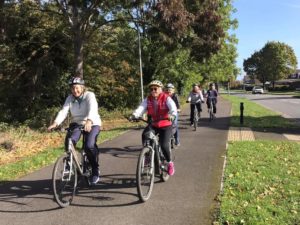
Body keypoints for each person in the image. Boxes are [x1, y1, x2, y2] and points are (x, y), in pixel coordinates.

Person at [48, 77, 102, 185]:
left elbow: (93, 108)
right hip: (77, 123)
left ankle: (95, 170)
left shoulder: (89, 95)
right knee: (70, 141)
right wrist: (56, 123)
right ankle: (69, 164)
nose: (74, 90)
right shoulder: (70, 98)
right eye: (72, 88)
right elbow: (64, 111)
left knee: (89, 145)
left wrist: (89, 121)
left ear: (82, 88)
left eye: (77, 88)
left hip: (92, 122)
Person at [131, 80, 177, 176]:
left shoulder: (166, 98)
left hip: (166, 124)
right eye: (151, 89)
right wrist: (135, 115)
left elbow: (173, 108)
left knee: (164, 145)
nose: (153, 90)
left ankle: (169, 163)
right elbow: (141, 108)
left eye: (155, 88)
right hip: (154, 124)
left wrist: (172, 115)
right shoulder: (148, 99)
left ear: (160, 89)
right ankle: (147, 155)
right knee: (145, 135)